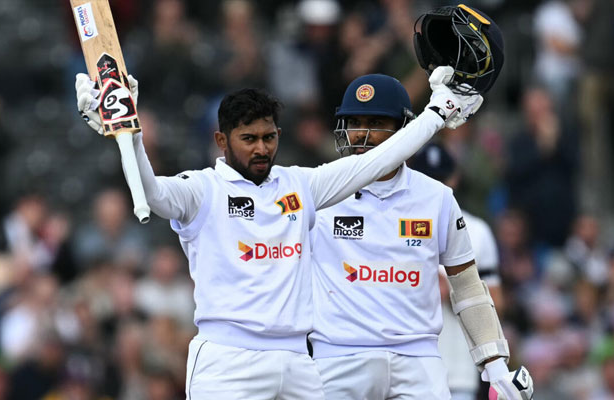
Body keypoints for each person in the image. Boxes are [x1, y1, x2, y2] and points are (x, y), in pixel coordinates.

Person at [75, 64, 476, 399]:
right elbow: (153, 194)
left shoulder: (302, 185)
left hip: (298, 362)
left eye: (268, 138)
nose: (261, 149)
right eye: (248, 139)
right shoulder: (201, 190)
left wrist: (435, 114)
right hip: (228, 359)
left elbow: (377, 160)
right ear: (221, 140)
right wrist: (128, 133)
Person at [308, 74, 532, 399]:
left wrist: (496, 369)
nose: (361, 133)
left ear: (405, 128)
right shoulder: (317, 191)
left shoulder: (437, 198)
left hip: (417, 358)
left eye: (375, 122)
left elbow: (467, 286)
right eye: (353, 121)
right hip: (338, 354)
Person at [410, 142, 503, 400]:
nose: (435, 187)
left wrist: (454, 288)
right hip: (405, 370)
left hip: (459, 368)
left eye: (441, 179)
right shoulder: (393, 224)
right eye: (428, 179)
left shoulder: (477, 231)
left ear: (455, 178)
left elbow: (498, 305)